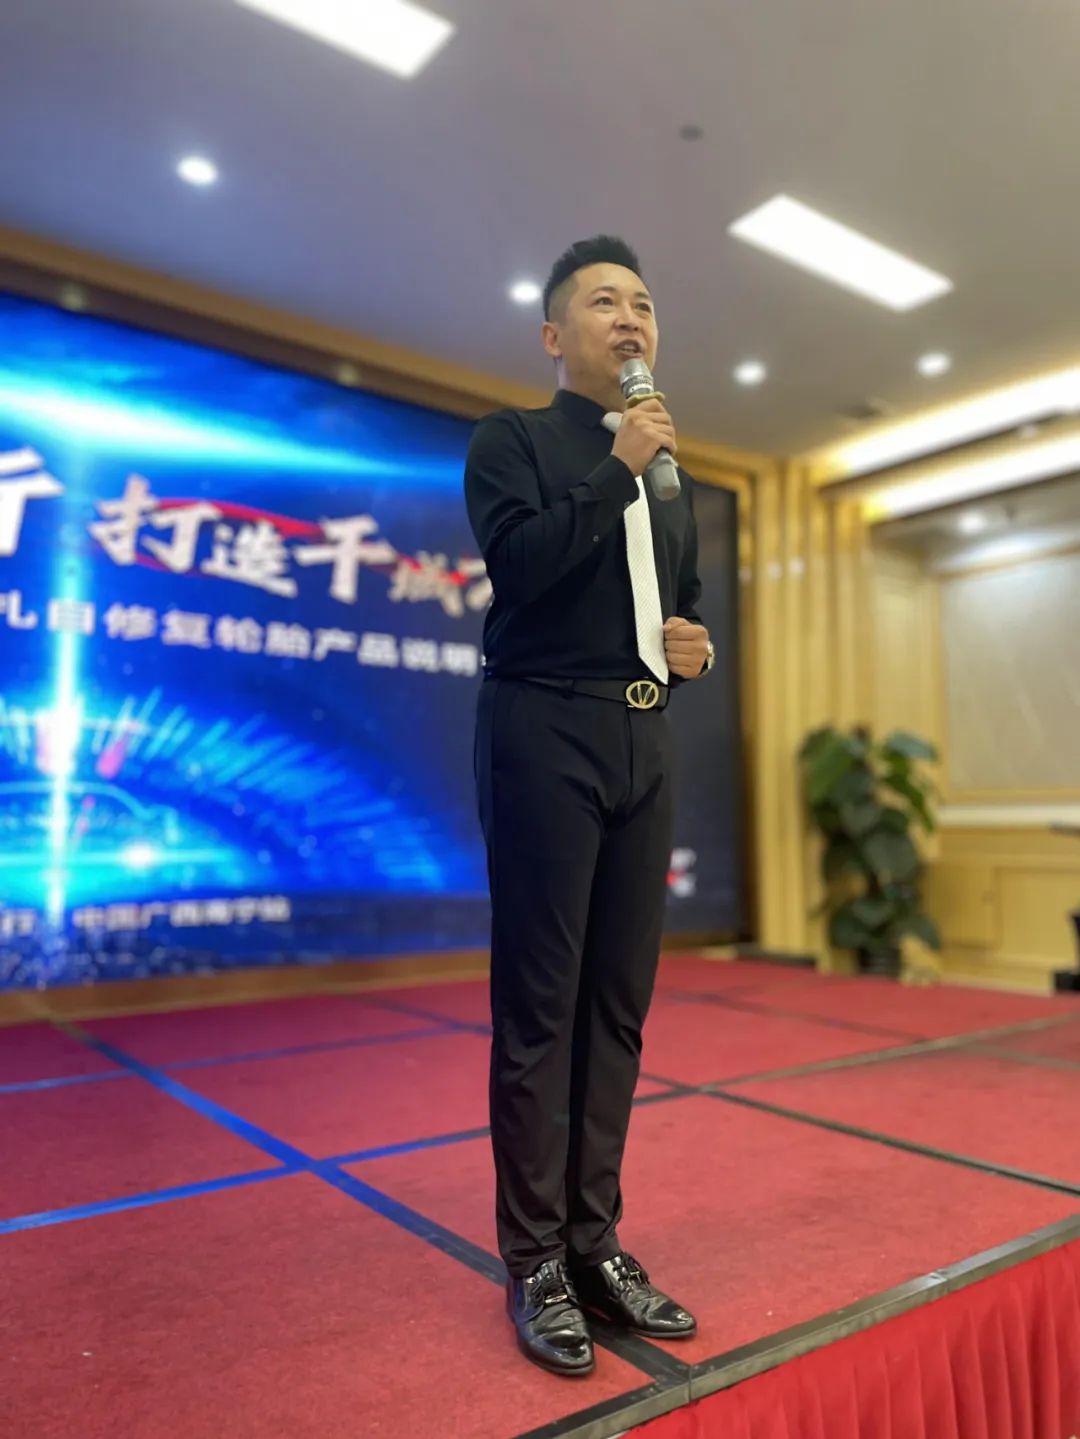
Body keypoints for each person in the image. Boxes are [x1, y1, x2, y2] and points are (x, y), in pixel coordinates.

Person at [465, 236, 713, 1377]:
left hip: (641, 734)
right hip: (543, 726)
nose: (631, 318)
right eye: (605, 301)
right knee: (542, 1007)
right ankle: (535, 1260)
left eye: (644, 304)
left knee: (617, 1007)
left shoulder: (669, 471)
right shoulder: (513, 441)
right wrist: (618, 463)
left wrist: (695, 647)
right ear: (556, 336)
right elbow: (523, 569)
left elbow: (678, 609)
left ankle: (594, 1240)